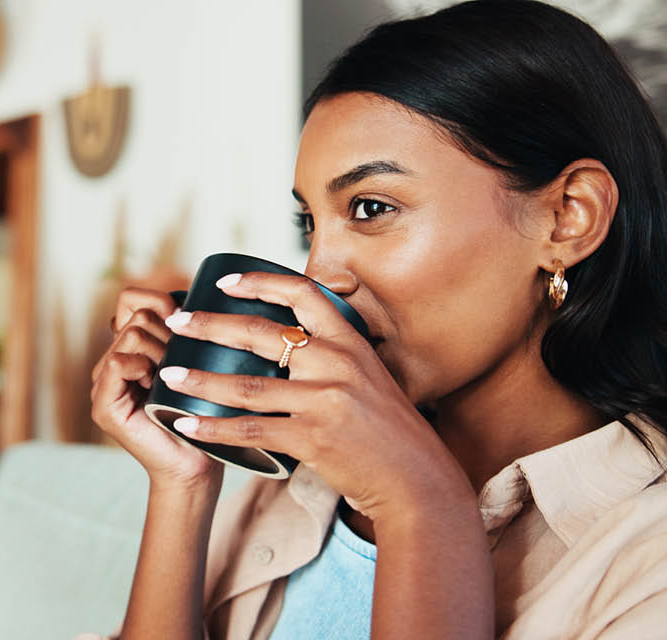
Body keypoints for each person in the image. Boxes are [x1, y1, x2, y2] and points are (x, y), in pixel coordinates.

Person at [90, 1, 667, 638]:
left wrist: (422, 504)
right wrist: (183, 481)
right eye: (310, 223)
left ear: (568, 217)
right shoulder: (298, 469)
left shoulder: (646, 554)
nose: (319, 273)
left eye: (370, 207)